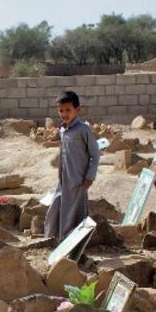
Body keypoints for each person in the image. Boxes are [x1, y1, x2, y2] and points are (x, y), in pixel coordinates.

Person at [44, 90, 100, 241]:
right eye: (61, 110)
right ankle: (55, 238)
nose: (64, 114)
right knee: (56, 207)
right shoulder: (63, 130)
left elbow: (95, 154)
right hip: (63, 180)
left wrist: (90, 176)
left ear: (78, 109)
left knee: (74, 213)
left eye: (68, 110)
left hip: (78, 180)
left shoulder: (83, 129)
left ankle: (73, 244)